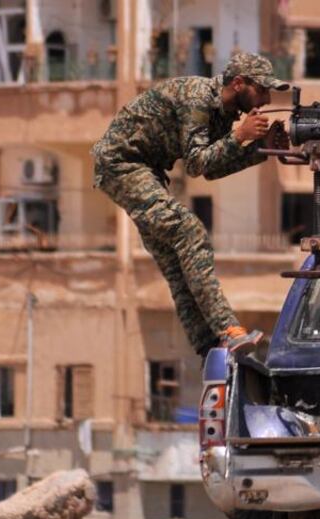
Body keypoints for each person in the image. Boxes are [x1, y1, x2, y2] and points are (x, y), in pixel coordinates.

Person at [92, 52, 289, 357]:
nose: (264, 99)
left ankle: (208, 347)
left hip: (147, 171)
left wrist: (261, 150)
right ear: (238, 84)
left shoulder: (224, 113)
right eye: (261, 90)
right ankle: (229, 330)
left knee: (175, 261)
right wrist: (239, 136)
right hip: (122, 165)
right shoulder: (197, 98)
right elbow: (196, 163)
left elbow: (212, 169)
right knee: (190, 233)